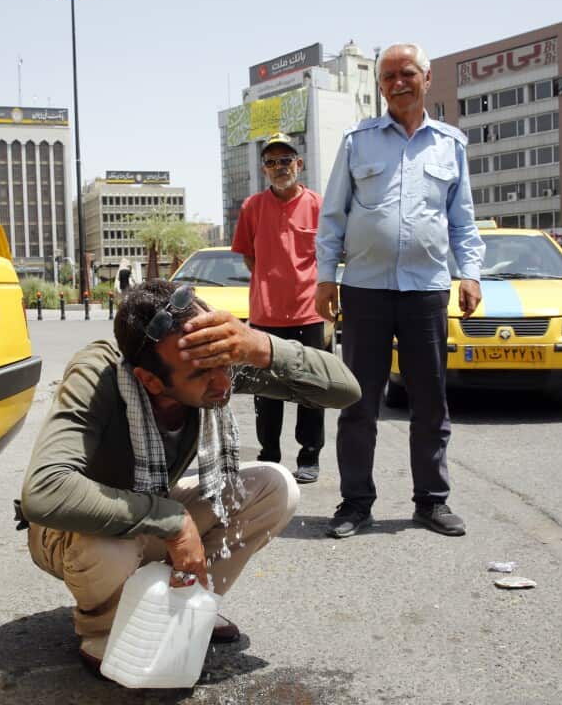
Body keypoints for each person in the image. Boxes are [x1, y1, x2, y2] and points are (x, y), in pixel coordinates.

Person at [19, 279, 360, 677]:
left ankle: (187, 604)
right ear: (150, 380)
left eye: (226, 363)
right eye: (203, 375)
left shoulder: (210, 362)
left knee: (275, 488)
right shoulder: (99, 375)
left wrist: (258, 345)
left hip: (149, 506)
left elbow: (345, 390)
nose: (223, 383)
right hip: (71, 531)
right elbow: (44, 491)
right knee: (111, 545)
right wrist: (174, 522)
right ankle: (104, 628)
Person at [314, 42, 486, 539]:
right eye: (387, 76)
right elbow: (334, 217)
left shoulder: (450, 145)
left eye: (406, 73)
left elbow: (463, 222)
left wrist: (469, 274)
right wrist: (327, 275)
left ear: (427, 78)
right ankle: (355, 503)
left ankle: (431, 501)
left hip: (426, 291)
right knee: (357, 402)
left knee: (430, 402)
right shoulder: (357, 141)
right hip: (364, 290)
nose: (396, 82)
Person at [231, 132, 327, 484]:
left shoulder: (318, 204)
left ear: (298, 164)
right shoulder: (252, 208)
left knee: (310, 388)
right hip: (266, 315)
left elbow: (329, 254)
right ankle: (269, 455)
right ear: (264, 169)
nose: (278, 168)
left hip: (309, 312)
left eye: (285, 160)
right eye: (271, 162)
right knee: (266, 390)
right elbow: (248, 256)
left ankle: (309, 456)